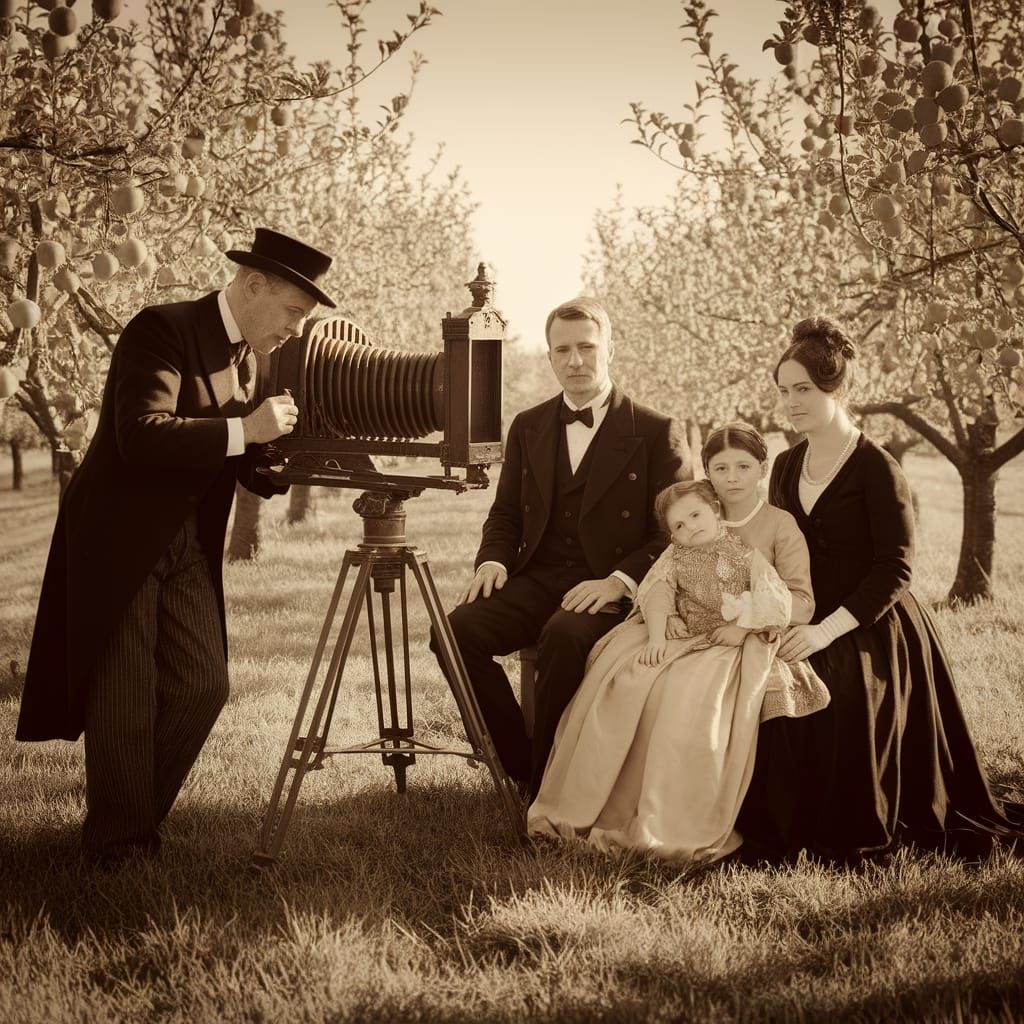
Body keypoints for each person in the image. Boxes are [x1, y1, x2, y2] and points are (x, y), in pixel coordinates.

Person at [16, 228, 337, 866]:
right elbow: (141, 434)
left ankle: (126, 824)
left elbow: (238, 456)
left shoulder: (255, 355)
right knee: (126, 692)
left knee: (203, 685)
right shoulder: (159, 329)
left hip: (190, 540)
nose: (296, 330)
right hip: (122, 538)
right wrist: (245, 428)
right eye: (293, 312)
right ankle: (120, 845)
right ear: (252, 285)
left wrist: (273, 460)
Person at [736, 316, 1024, 863]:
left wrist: (824, 632)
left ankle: (841, 823)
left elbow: (895, 569)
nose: (791, 402)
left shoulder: (877, 467)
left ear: (838, 390)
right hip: (801, 609)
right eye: (783, 391)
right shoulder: (786, 463)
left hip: (869, 618)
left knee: (839, 688)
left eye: (804, 389)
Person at [432, 297, 690, 798]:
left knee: (565, 635)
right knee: (454, 630)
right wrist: (492, 559)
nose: (575, 361)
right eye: (562, 350)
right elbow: (506, 513)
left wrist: (619, 581)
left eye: (586, 348)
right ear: (549, 356)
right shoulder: (528, 425)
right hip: (538, 575)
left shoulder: (657, 430)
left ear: (609, 348)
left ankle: (553, 778)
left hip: (611, 584)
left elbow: (675, 533)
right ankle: (521, 765)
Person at [527, 474, 829, 863]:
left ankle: (674, 818)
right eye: (679, 526)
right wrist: (657, 634)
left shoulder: (743, 553)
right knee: (625, 679)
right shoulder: (675, 555)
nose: (690, 528)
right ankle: (590, 800)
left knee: (693, 696)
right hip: (679, 634)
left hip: (725, 641)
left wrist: (740, 628)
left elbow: (773, 599)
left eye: (696, 516)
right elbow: (656, 593)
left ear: (715, 511)